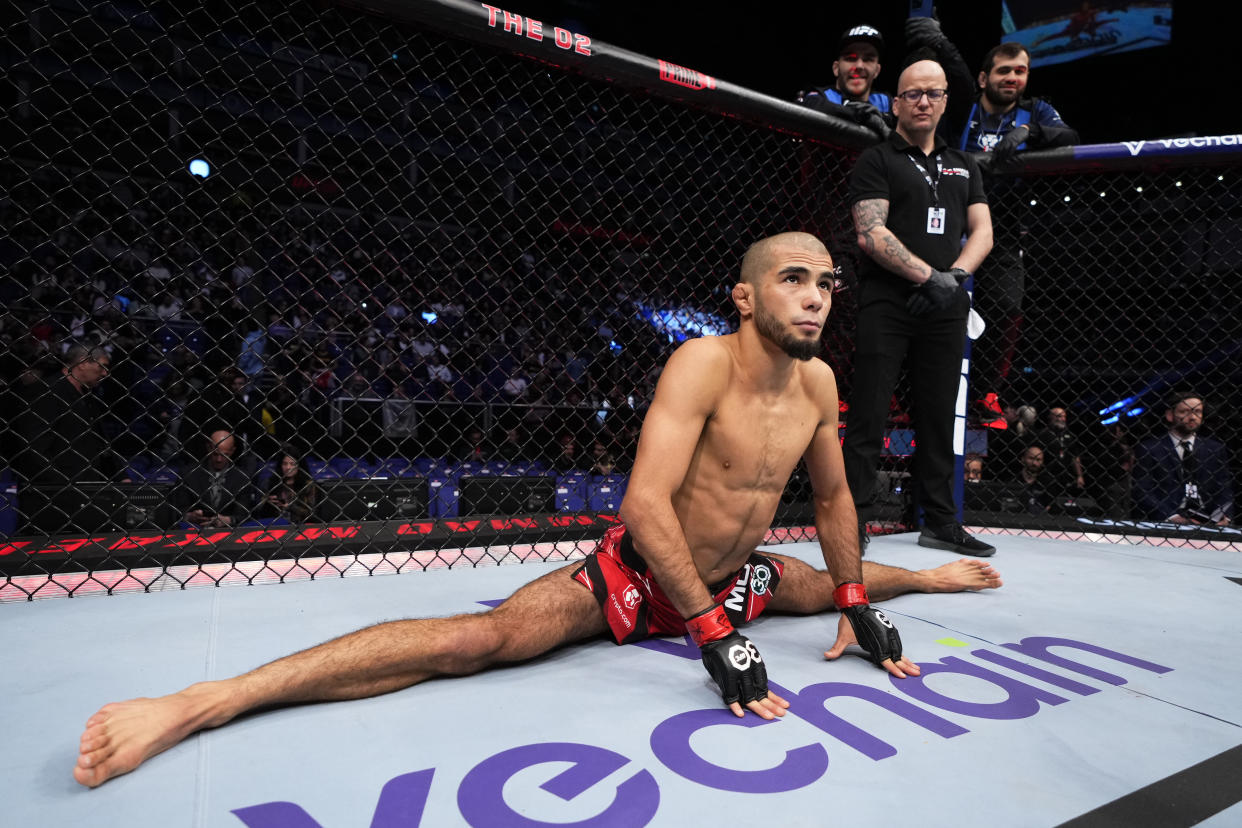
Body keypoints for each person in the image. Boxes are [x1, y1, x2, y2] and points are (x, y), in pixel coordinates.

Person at [73, 233, 1003, 788]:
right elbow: (644, 502)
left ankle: (929, 574)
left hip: (734, 578)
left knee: (817, 584)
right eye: (796, 279)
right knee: (479, 642)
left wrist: (854, 598)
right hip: (647, 573)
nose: (816, 295)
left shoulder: (819, 382)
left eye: (828, 282)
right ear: (747, 294)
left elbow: (837, 498)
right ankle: (209, 699)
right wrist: (710, 630)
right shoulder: (701, 364)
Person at [841, 56, 996, 558]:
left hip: (946, 301)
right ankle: (854, 520)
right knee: (868, 412)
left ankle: (942, 521)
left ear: (946, 99)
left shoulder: (964, 164)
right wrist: (929, 275)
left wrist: (953, 278)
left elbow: (983, 232)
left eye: (933, 93)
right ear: (898, 101)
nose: (923, 101)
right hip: (888, 299)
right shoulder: (878, 159)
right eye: (912, 93)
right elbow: (870, 232)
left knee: (939, 415)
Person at [904, 24, 1079, 405]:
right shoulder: (962, 108)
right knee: (926, 305)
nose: (1013, 78)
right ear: (985, 78)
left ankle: (986, 392)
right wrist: (940, 42)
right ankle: (910, 394)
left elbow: (1070, 138)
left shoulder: (1036, 111)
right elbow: (956, 80)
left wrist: (1032, 133)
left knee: (1005, 307)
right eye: (1004, 70)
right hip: (947, 223)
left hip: (1002, 230)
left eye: (1021, 71)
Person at [12, 344, 126, 534]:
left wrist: (120, 476)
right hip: (52, 495)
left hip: (84, 491)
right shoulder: (47, 392)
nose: (106, 373)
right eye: (101, 366)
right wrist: (62, 484)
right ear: (82, 363)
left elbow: (100, 442)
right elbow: (34, 447)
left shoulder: (87, 397)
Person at [1131, 391, 1233, 526]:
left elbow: (1224, 487)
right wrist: (1171, 517)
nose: (1192, 417)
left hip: (1207, 516)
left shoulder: (1214, 449)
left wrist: (1224, 516)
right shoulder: (1150, 448)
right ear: (1170, 415)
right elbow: (1143, 490)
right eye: (1185, 411)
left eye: (1197, 411)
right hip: (1167, 518)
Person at [795, 24, 893, 139]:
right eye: (851, 58)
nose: (859, 66)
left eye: (868, 59)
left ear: (877, 70)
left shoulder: (885, 102)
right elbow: (807, 105)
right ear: (836, 68)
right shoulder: (820, 97)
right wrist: (863, 116)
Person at [174, 429, 255, 530]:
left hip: (228, 532)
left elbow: (244, 514)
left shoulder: (242, 478)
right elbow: (177, 510)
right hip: (194, 530)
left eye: (225, 455)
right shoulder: (189, 474)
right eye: (215, 454)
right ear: (208, 448)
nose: (219, 459)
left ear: (233, 451)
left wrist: (228, 520)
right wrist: (189, 516)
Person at [1036, 405, 1085, 497]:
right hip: (1046, 474)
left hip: (1064, 476)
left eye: (1064, 416)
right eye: (1058, 416)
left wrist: (1079, 475)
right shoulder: (1043, 434)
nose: (1062, 419)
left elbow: (1075, 456)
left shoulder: (1069, 435)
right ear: (1050, 417)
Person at [261, 451, 320, 523]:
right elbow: (258, 511)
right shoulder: (271, 483)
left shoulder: (308, 485)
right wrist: (267, 503)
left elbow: (312, 514)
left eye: (292, 464)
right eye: (284, 464)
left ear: (299, 466)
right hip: (275, 525)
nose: (288, 467)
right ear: (280, 466)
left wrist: (290, 507)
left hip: (301, 525)